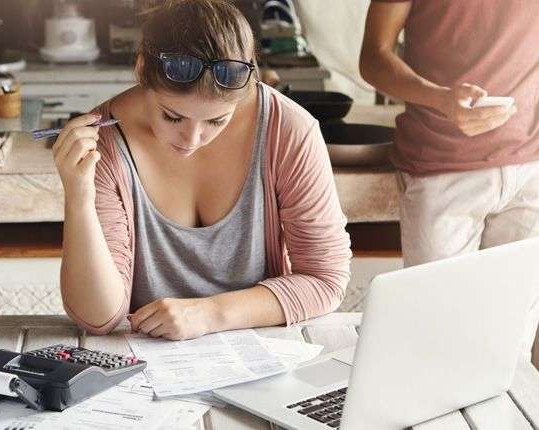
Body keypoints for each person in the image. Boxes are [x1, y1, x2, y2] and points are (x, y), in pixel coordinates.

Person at [54, 0, 351, 340]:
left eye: (216, 120)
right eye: (172, 116)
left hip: (263, 354)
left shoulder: (289, 129)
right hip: (145, 361)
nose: (192, 139)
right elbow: (98, 318)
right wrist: (78, 198)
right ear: (141, 69)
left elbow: (325, 280)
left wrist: (210, 314)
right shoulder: (103, 142)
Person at [360, 0, 539, 360]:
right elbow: (374, 57)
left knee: (512, 347)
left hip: (530, 168)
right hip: (440, 168)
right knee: (437, 340)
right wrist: (440, 99)